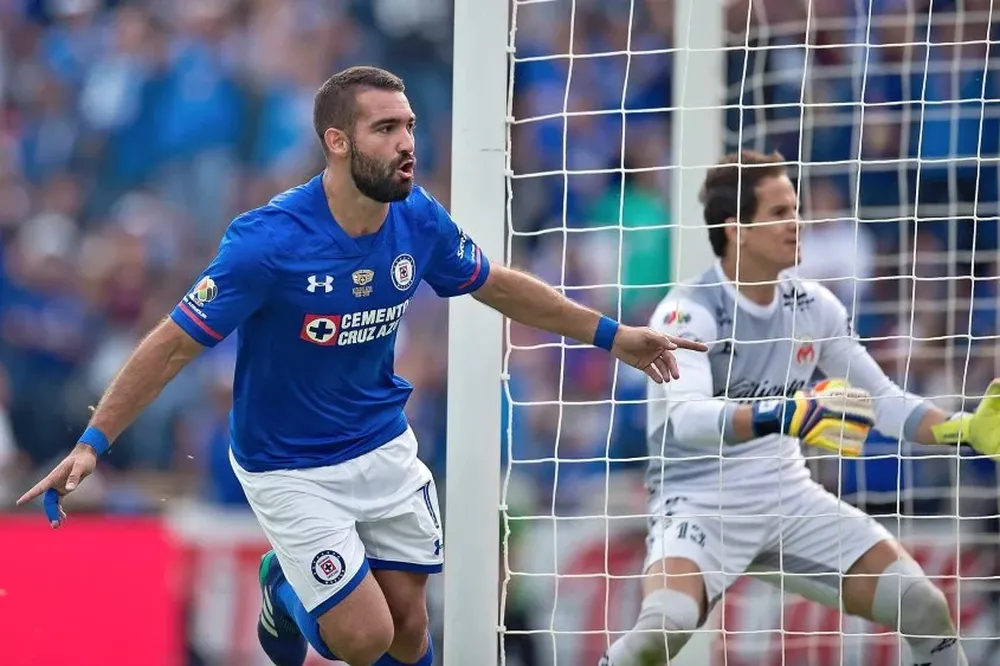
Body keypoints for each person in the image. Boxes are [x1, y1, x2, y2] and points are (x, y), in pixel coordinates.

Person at [15, 66, 706, 666]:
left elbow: (495, 283)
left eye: (409, 127)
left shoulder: (417, 219)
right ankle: (284, 588)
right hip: (287, 464)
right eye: (385, 129)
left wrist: (613, 336)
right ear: (337, 142)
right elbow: (172, 344)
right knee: (365, 637)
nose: (407, 143)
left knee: (409, 633)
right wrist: (93, 442)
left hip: (379, 444)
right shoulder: (268, 242)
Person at [600, 150, 1000, 666]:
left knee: (923, 605)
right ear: (737, 230)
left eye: (796, 209)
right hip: (700, 503)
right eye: (779, 213)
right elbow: (688, 421)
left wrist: (961, 428)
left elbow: (882, 400)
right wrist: (784, 413)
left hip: (787, 497)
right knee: (661, 631)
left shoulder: (815, 307)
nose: (796, 223)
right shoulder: (688, 311)